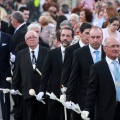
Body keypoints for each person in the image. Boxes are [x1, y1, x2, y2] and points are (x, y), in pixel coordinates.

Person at [65, 26, 106, 120]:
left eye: (98, 37)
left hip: (104, 98)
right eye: (93, 37)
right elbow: (73, 77)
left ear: (102, 37)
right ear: (89, 38)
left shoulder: (107, 51)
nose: (95, 40)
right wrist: (69, 98)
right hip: (84, 97)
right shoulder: (79, 53)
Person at [36, 27, 74, 120]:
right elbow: (46, 73)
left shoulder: (76, 53)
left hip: (71, 93)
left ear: (72, 38)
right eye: (63, 35)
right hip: (54, 92)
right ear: (60, 37)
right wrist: (42, 90)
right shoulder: (52, 53)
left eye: (68, 36)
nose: (65, 38)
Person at [11, 30, 48, 120]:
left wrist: (45, 90)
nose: (32, 39)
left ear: (38, 39)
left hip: (43, 93)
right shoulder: (20, 54)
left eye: (34, 37)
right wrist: (14, 87)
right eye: (29, 38)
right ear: (26, 41)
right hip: (27, 91)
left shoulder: (47, 52)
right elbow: (17, 73)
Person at [81, 37, 120, 120]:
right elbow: (92, 89)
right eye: (113, 46)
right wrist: (87, 108)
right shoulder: (97, 67)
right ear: (105, 48)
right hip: (106, 111)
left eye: (118, 46)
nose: (116, 49)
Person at [61, 22, 92, 88]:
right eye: (87, 33)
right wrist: (64, 89)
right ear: (80, 33)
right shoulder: (70, 50)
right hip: (76, 88)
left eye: (90, 34)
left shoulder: (94, 49)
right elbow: (66, 71)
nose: (89, 36)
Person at [0, 24, 15, 120]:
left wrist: (13, 56)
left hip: (4, 73)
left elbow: (12, 51)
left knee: (5, 99)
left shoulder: (7, 37)